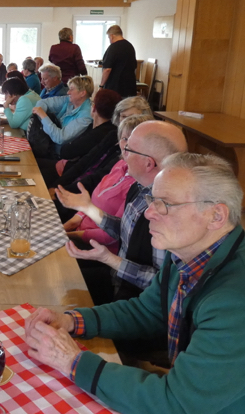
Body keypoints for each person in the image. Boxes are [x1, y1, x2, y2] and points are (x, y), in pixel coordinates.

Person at [26, 153, 245, 414]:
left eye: (165, 204)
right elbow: (146, 311)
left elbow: (177, 407)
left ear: (216, 216)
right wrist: (72, 320)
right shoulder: (188, 254)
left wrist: (72, 361)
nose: (148, 213)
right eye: (152, 199)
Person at [57, 120, 187, 303]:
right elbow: (127, 230)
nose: (123, 153)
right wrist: (88, 208)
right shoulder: (140, 187)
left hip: (136, 302)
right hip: (114, 278)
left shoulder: (167, 212)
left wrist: (110, 259)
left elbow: (164, 284)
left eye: (129, 149)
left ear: (148, 164)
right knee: (54, 270)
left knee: (56, 286)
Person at [62, 115, 150, 253]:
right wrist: (69, 225)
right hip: (79, 230)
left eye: (133, 141)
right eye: (124, 139)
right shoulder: (120, 164)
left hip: (100, 248)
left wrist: (69, 235)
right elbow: (91, 202)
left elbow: (110, 235)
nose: (127, 146)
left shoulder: (140, 184)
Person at [50, 96, 153, 193]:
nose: (127, 121)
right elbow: (85, 161)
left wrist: (63, 191)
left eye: (132, 117)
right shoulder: (113, 135)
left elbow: (100, 177)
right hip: (79, 182)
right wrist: (57, 186)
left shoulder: (133, 150)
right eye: (123, 116)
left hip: (92, 192)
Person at [30, 75, 94, 156]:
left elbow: (60, 138)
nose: (68, 92)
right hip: (50, 145)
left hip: (61, 155)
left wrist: (43, 116)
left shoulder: (86, 116)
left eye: (71, 89)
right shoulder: (69, 100)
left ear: (82, 93)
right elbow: (42, 102)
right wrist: (41, 116)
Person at [100, 25, 137, 98]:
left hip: (115, 88)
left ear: (112, 36)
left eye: (109, 37)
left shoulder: (113, 48)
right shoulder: (130, 46)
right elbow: (134, 65)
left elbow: (107, 69)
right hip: (130, 86)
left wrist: (101, 85)